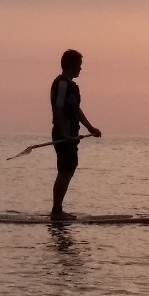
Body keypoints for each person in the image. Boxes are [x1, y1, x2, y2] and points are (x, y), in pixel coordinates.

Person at [50, 49, 102, 219]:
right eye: (79, 65)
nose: (80, 69)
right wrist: (64, 132)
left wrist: (90, 128)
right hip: (63, 135)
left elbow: (76, 110)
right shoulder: (62, 84)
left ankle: (57, 210)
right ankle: (57, 211)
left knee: (68, 168)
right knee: (66, 170)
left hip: (71, 135)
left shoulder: (71, 86)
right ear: (71, 64)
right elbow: (58, 108)